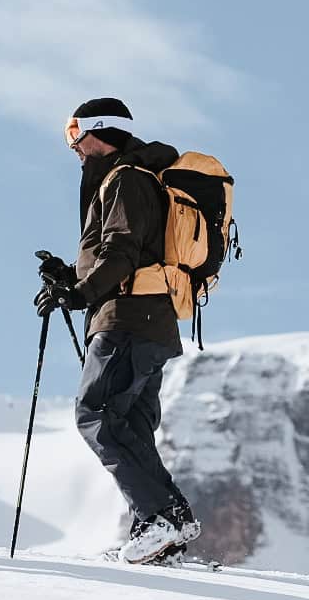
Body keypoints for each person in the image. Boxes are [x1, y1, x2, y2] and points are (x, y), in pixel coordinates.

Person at [33, 97, 200, 564]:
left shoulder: (125, 178)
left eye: (75, 136)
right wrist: (72, 278)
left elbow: (122, 252)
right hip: (151, 321)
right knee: (130, 425)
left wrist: (80, 294)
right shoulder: (136, 179)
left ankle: (162, 519)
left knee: (97, 413)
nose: (73, 149)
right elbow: (125, 253)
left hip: (127, 317)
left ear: (99, 132)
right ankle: (161, 527)